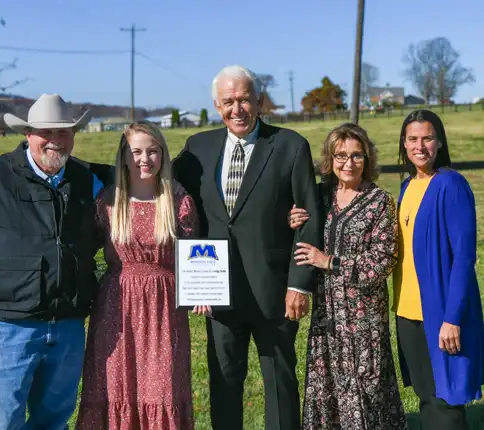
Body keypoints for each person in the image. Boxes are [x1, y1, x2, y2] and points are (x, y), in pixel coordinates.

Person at [172, 65, 322, 430]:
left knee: (280, 382)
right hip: (218, 291)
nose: (236, 109)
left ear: (259, 100)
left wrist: (299, 284)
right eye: (228, 102)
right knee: (223, 382)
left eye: (244, 99)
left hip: (274, 289)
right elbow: (158, 182)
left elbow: (310, 217)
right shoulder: (198, 148)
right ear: (216, 105)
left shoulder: (290, 146)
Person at [0, 94, 105, 429]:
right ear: (28, 133)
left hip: (69, 325)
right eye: (46, 132)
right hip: (8, 326)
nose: (55, 141)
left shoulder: (88, 181)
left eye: (64, 133)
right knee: (5, 422)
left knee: (54, 419)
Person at [76, 122, 210, 429]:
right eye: (136, 152)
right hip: (116, 306)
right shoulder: (109, 202)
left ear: (163, 155)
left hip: (164, 306)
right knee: (114, 384)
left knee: (163, 386)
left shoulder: (178, 202)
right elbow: (81, 248)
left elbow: (197, 256)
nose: (144, 159)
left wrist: (202, 291)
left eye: (153, 151)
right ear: (123, 156)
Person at [289, 123, 407, 429]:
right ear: (330, 159)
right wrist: (293, 220)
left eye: (356, 155)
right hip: (326, 318)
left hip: (362, 321)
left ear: (367, 159)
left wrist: (330, 262)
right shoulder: (319, 197)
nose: (348, 163)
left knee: (367, 388)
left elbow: (383, 260)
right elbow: (301, 237)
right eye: (340, 155)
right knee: (325, 390)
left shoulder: (379, 202)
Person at [393, 110, 484, 429]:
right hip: (407, 312)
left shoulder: (450, 185)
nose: (420, 146)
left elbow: (464, 258)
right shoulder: (407, 187)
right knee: (426, 395)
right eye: (413, 139)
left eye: (428, 138)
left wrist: (452, 319)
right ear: (403, 143)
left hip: (440, 315)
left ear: (440, 142)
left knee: (445, 400)